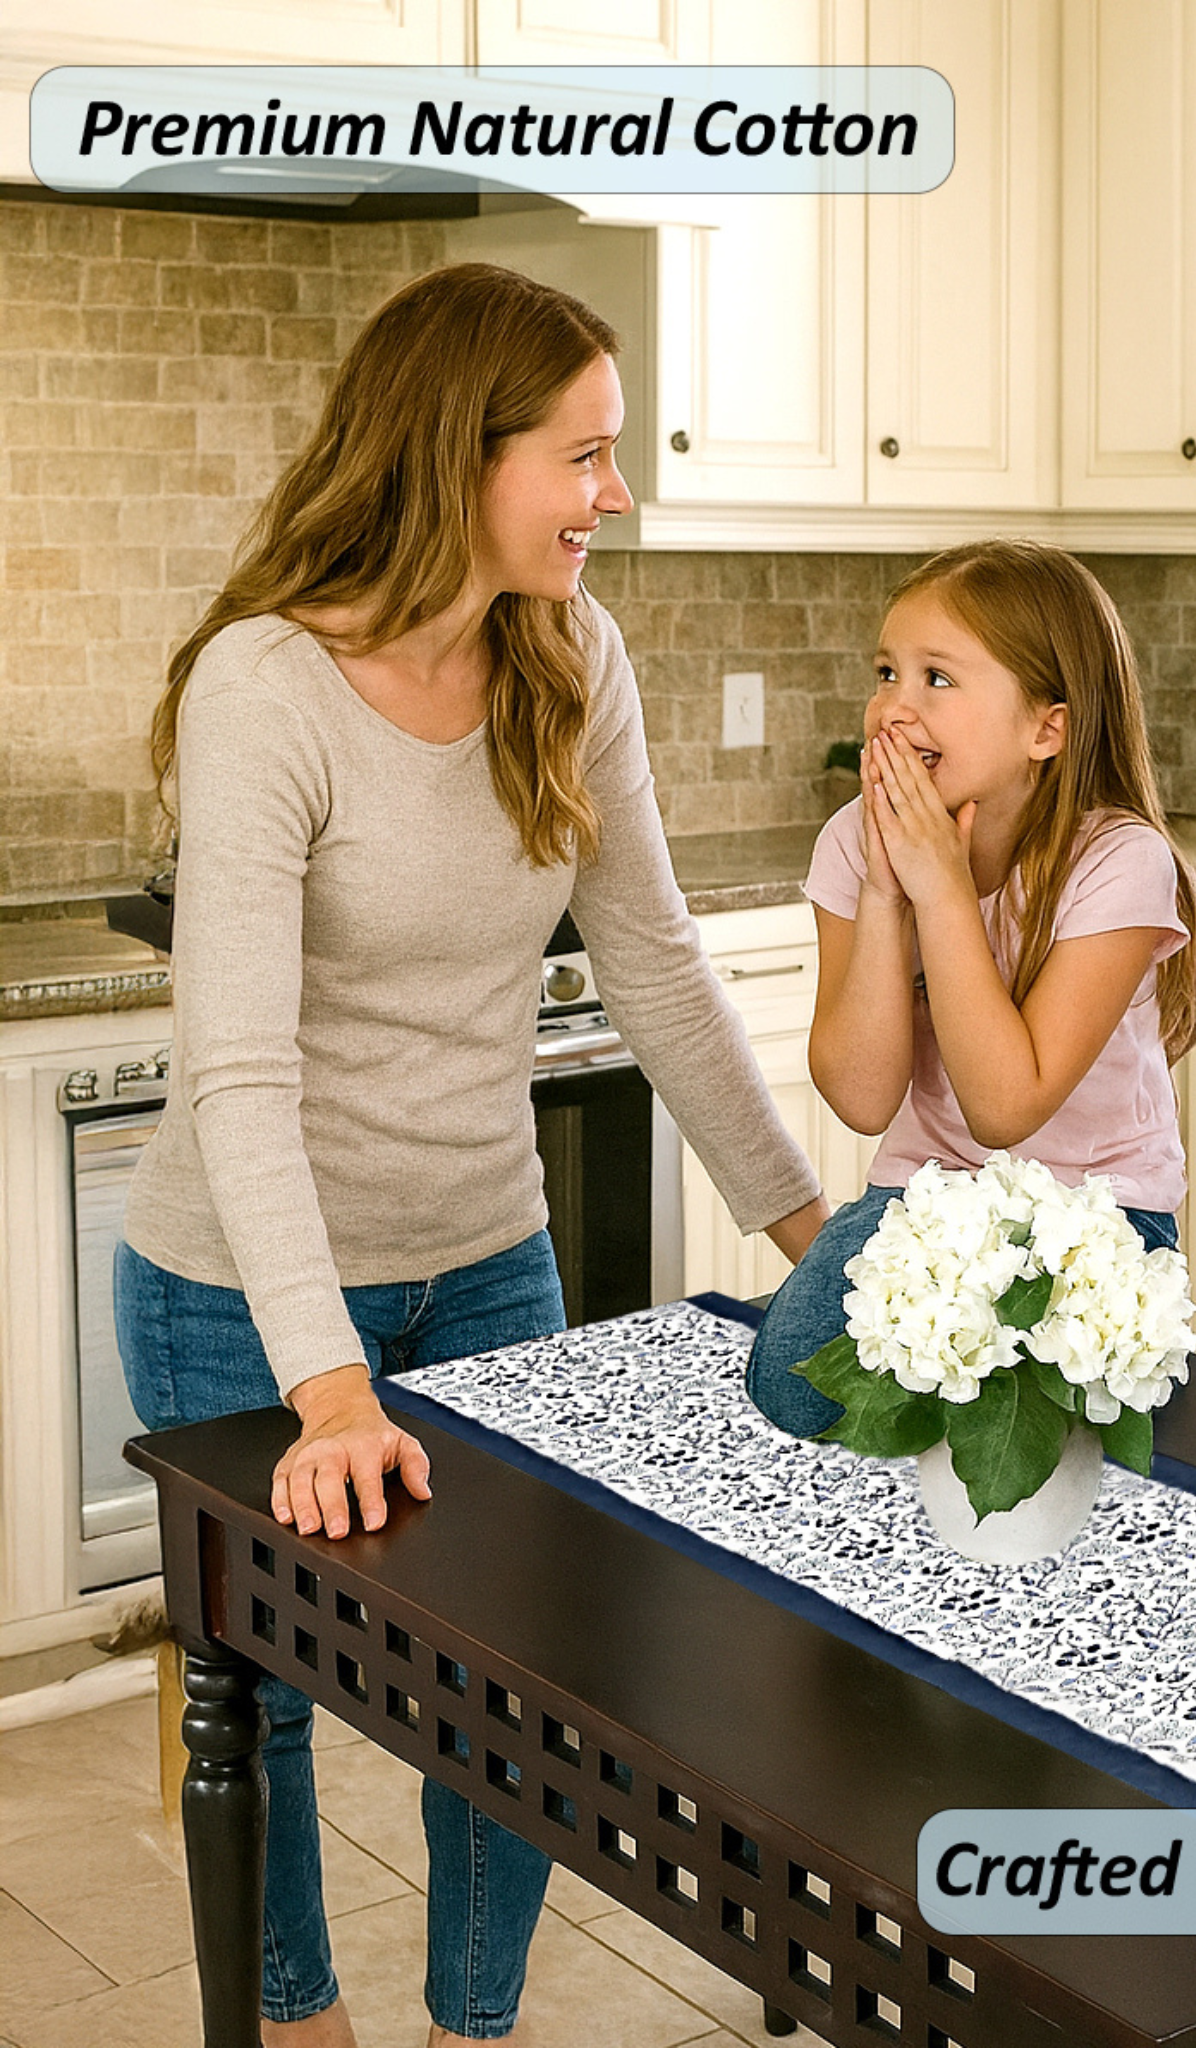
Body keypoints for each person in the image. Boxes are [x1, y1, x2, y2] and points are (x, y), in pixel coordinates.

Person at [114, 263, 828, 2048]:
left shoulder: (570, 657)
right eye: (582, 455)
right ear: (460, 454)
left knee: (515, 1696)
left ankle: (471, 2026)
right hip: (241, 1292)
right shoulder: (265, 687)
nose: (616, 493)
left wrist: (816, 1231)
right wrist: (332, 1385)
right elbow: (238, 1068)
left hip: (487, 1253)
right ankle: (295, 2019)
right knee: (261, 1696)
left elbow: (655, 966)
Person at [745, 541, 1195, 1431]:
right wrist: (884, 890)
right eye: (886, 672)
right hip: (928, 1192)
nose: (892, 709)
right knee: (792, 1387)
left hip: (1093, 1208)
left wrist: (942, 890)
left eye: (936, 679)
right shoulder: (854, 842)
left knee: (1026, 1421)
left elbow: (1004, 1108)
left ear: (1046, 729)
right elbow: (864, 1098)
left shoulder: (1118, 863)